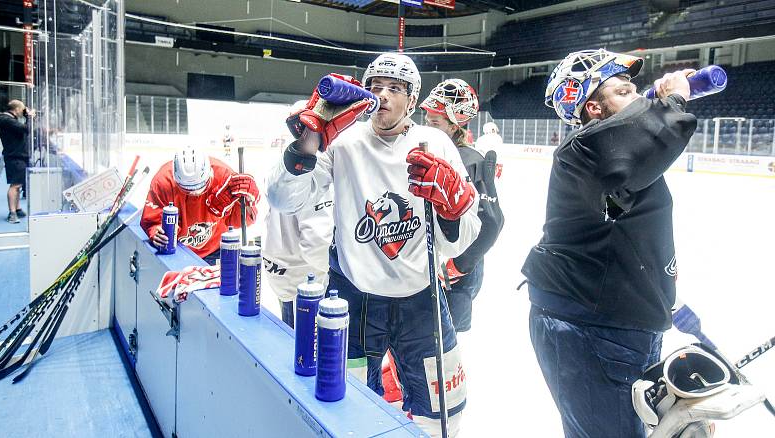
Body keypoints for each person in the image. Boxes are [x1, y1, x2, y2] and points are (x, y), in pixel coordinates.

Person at [267, 54, 481, 437]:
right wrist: (307, 142)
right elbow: (285, 201)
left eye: (395, 89)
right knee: (345, 400)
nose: (383, 96)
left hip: (421, 298)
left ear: (411, 100)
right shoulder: (343, 140)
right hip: (354, 294)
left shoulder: (433, 142)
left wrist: (452, 212)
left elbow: (461, 239)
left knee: (443, 407)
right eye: (376, 86)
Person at [521, 49, 698, 438]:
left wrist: (662, 293)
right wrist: (673, 98)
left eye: (636, 88)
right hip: (588, 327)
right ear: (594, 110)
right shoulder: (583, 149)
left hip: (621, 322)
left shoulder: (615, 152)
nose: (638, 96)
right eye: (623, 91)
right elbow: (657, 134)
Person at [420, 78, 505, 333]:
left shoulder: (469, 160)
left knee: (447, 343)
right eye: (427, 120)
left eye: (435, 122)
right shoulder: (434, 153)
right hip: (433, 268)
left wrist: (458, 266)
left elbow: (492, 221)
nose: (428, 127)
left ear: (456, 123)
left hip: (456, 274)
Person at [141, 145, 260, 264]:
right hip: (177, 253)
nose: (195, 193)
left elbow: (238, 221)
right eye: (187, 189)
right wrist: (156, 232)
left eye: (200, 187)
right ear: (176, 179)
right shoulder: (162, 182)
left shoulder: (225, 176)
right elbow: (152, 220)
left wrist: (248, 203)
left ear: (209, 173)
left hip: (215, 250)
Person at [262, 184, 334, 328]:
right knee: (305, 342)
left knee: (293, 337)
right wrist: (343, 270)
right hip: (303, 278)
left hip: (284, 267)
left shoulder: (288, 168)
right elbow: (316, 244)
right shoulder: (315, 179)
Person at [0, 100, 35, 223]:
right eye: (22, 109)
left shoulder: (10, 120)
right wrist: (29, 117)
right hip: (14, 157)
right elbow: (26, 129)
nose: (23, 112)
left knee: (19, 185)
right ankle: (12, 213)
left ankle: (17, 209)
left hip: (18, 156)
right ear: (16, 109)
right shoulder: (7, 120)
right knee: (15, 185)